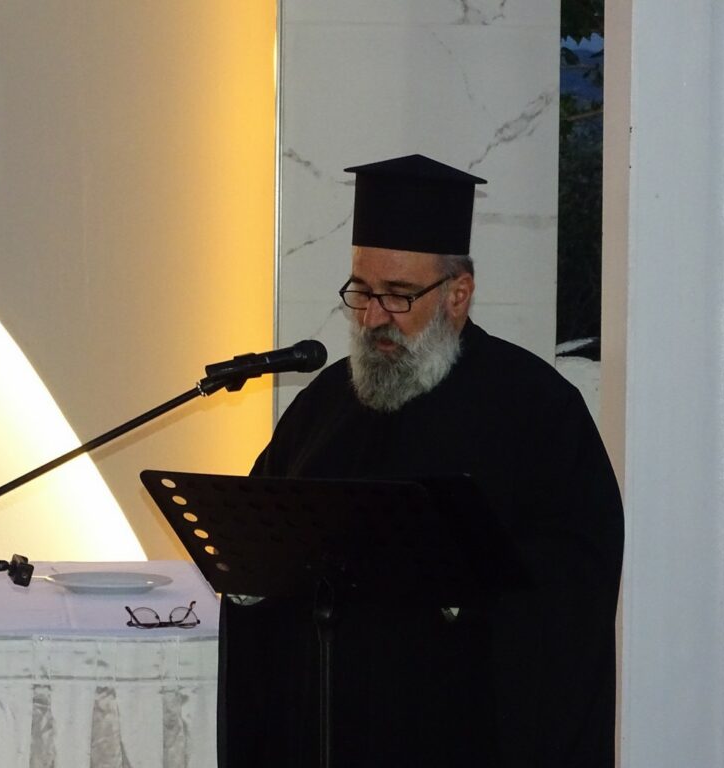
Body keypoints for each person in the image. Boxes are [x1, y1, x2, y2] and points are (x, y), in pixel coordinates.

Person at [220, 155, 624, 767]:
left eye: (399, 296)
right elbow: (261, 538)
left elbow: (575, 579)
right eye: (362, 291)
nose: (373, 317)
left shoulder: (537, 409)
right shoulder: (325, 403)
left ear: (458, 295)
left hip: (461, 730)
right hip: (333, 729)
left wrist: (462, 595)